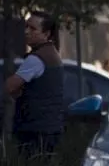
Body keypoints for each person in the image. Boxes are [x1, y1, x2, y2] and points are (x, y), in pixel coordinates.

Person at [5, 11, 65, 153]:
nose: (26, 32)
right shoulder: (52, 54)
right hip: (49, 128)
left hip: (35, 130)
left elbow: (9, 86)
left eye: (32, 29)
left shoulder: (36, 59)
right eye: (26, 27)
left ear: (46, 34)